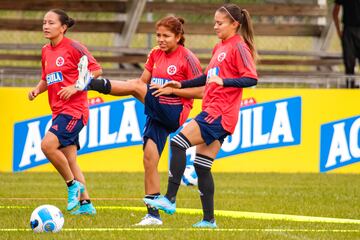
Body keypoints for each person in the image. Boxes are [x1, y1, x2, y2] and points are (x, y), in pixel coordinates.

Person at [65, 16, 204, 226]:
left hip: (175, 111)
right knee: (149, 159)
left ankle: (90, 83)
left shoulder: (188, 58)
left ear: (178, 36)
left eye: (166, 36)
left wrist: (176, 90)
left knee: (135, 87)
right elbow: (142, 82)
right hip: (157, 111)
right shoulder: (156, 54)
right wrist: (140, 89)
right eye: (158, 35)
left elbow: (203, 91)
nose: (161, 39)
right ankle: (153, 215)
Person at [144, 3, 258, 228]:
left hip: (220, 113)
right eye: (214, 22)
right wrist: (181, 83)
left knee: (178, 142)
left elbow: (252, 78)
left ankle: (170, 198)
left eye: (220, 23)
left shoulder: (239, 46)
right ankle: (209, 220)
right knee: (202, 165)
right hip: (213, 110)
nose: (215, 26)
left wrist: (224, 81)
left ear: (235, 24)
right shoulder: (220, 47)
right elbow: (207, 76)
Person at [28, 9, 102, 215]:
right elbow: (46, 78)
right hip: (58, 111)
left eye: (51, 23)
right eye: (44, 22)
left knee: (47, 145)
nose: (46, 26)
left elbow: (96, 70)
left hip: (75, 111)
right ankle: (86, 205)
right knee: (70, 160)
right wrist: (36, 90)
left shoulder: (74, 47)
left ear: (63, 27)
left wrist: (77, 87)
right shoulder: (45, 50)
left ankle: (72, 186)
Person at [333, 0, 360, 88]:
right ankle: (349, 90)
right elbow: (335, 12)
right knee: (349, 64)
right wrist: (338, 31)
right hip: (349, 30)